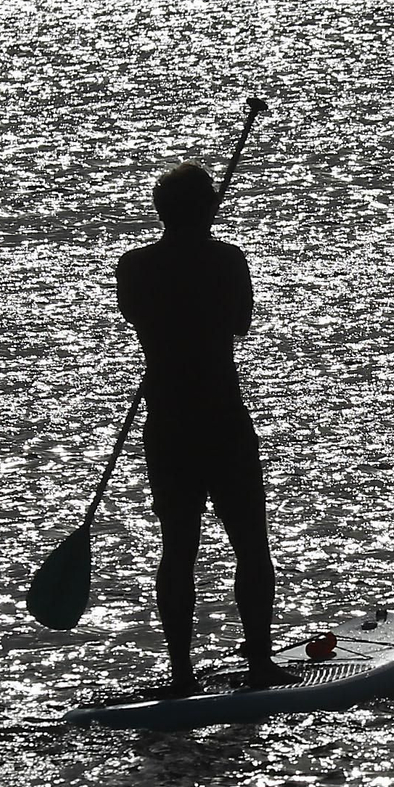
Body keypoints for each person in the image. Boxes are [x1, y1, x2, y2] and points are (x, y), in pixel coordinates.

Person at [117, 162, 295, 692]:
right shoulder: (228, 261)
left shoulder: (135, 266)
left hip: (168, 420)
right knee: (251, 545)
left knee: (178, 547)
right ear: (209, 209)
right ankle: (260, 663)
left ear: (161, 211)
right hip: (221, 417)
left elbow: (135, 318)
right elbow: (240, 324)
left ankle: (181, 673)